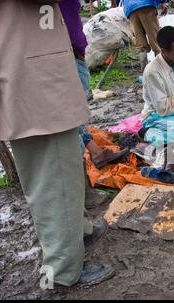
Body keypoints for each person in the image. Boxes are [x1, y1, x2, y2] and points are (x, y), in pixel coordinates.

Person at [0, 0, 114, 287]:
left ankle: (80, 231)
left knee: (64, 165)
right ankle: (63, 273)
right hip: (30, 74)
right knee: (53, 175)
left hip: (37, 65)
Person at [60, 0, 126, 208]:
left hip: (71, 55)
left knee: (76, 116)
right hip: (67, 56)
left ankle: (97, 153)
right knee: (72, 119)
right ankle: (84, 193)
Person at [123, 0, 169, 72]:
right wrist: (163, 2)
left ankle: (145, 71)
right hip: (146, 5)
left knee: (140, 44)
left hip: (131, 9)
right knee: (156, 40)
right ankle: (162, 70)